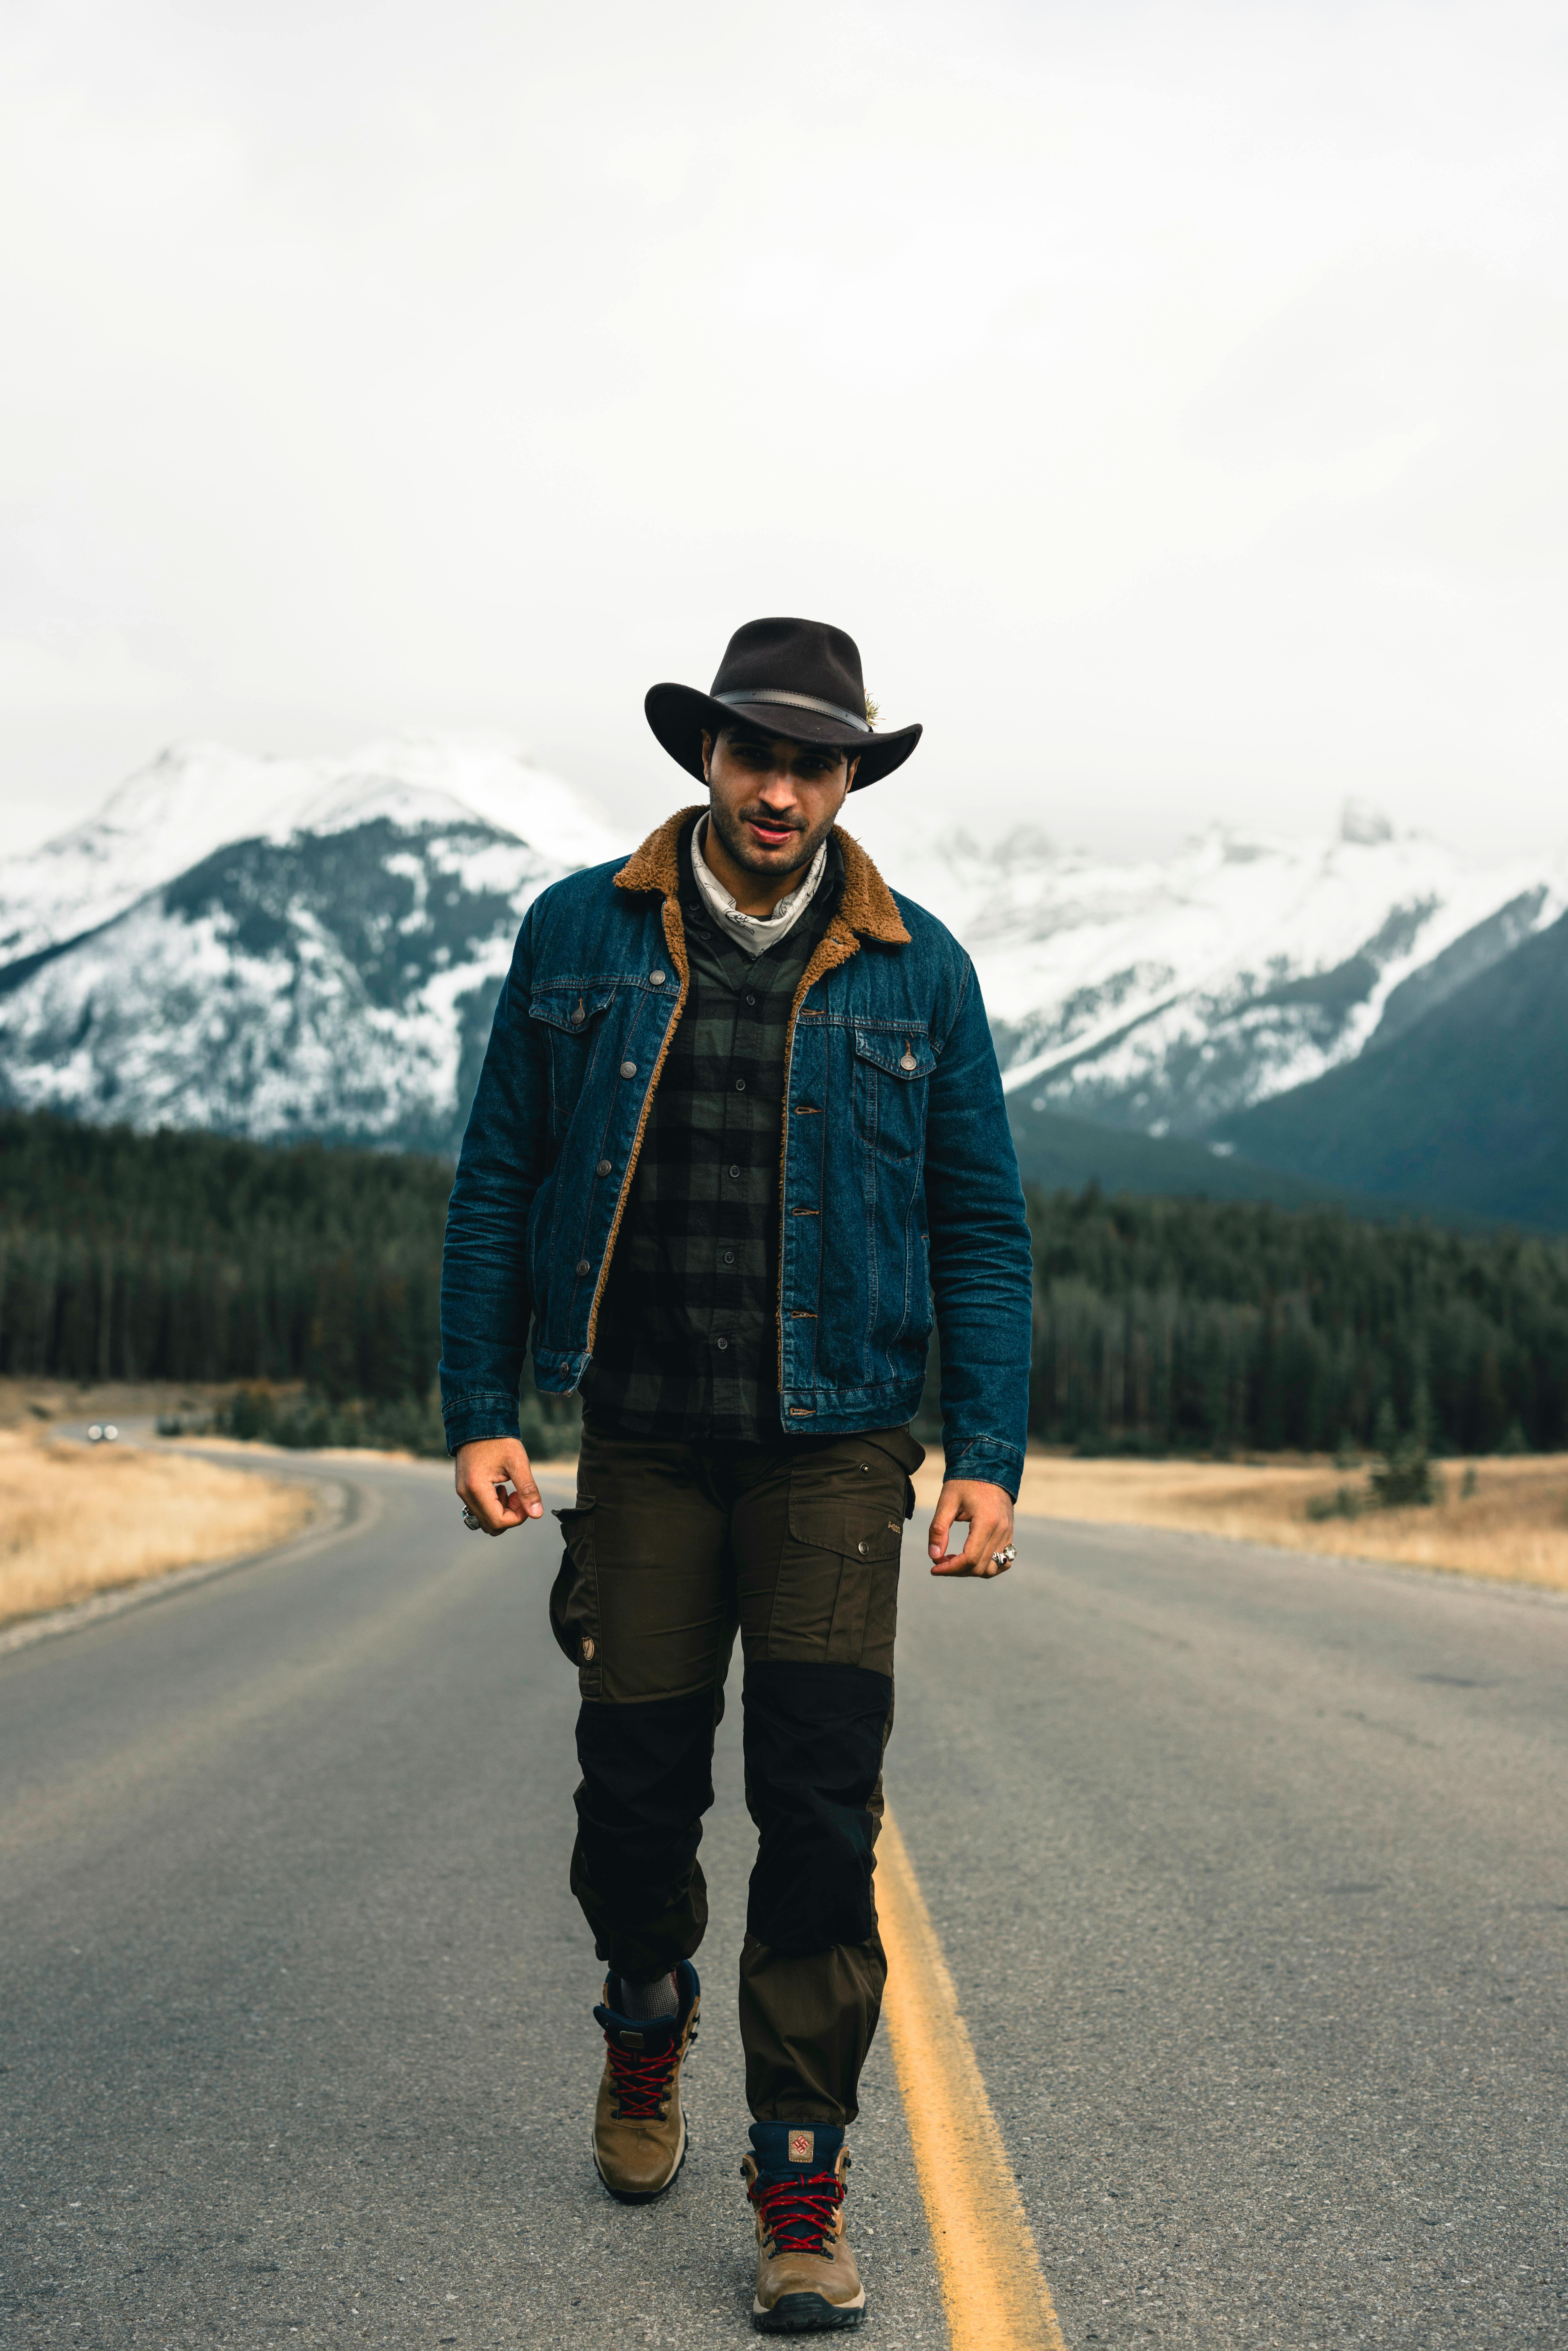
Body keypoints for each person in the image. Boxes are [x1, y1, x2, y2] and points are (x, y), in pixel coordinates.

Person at [439, 616, 1033, 2333]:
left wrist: (981, 1453)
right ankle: (645, 2006)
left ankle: (798, 2177)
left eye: (816, 760)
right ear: (704, 757)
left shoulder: (919, 967)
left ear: (852, 779)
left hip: (839, 1445)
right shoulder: (580, 932)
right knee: (632, 1805)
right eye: (755, 752)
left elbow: (977, 1227)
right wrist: (482, 1406)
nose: (782, 788)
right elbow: (499, 1180)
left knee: (819, 1808)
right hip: (637, 1436)